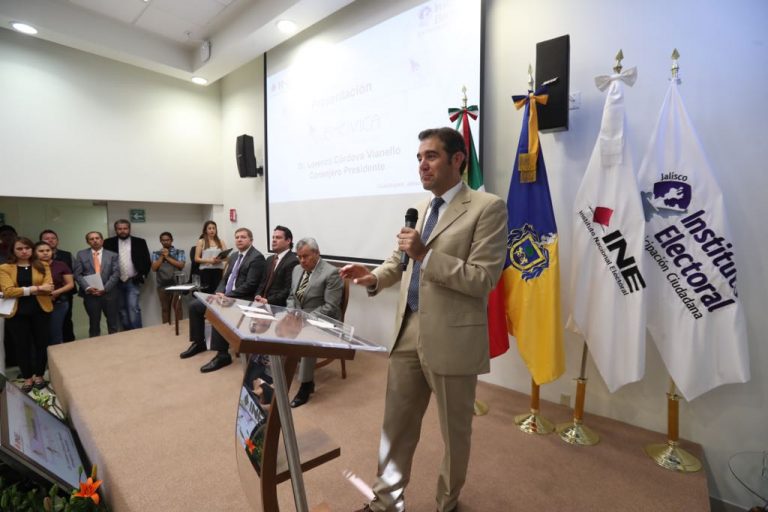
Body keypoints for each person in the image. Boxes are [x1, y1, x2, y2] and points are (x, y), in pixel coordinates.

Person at [340, 127, 507, 512]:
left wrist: (426, 255)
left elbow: (483, 279)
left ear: (457, 160)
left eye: (431, 156)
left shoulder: (487, 208)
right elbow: (398, 261)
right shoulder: (422, 208)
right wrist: (373, 278)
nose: (422, 165)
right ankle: (385, 501)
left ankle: (447, 503)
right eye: (419, 158)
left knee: (454, 433)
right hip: (407, 331)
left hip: (453, 338)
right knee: (396, 425)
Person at [181, 227, 265, 373]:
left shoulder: (257, 257)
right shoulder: (234, 256)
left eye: (243, 237)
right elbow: (225, 279)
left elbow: (250, 285)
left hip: (242, 299)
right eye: (237, 237)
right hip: (226, 296)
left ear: (251, 240)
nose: (239, 239)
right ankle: (199, 342)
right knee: (195, 305)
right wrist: (219, 292)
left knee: (218, 310)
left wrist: (228, 295)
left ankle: (223, 355)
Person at [285, 237, 343, 408]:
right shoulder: (297, 269)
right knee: (276, 326)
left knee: (307, 336)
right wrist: (291, 312)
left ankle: (306, 385)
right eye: (299, 257)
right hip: (298, 316)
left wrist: (305, 319)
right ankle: (275, 374)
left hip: (323, 319)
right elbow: (291, 296)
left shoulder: (331, 273)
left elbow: (331, 307)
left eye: (306, 256)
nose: (302, 261)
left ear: (317, 253)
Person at [0, 237, 53, 392]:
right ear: (13, 250)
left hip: (40, 310)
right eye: (19, 248)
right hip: (17, 313)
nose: (24, 251)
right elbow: (8, 291)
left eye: (27, 248)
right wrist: (36, 288)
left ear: (32, 249)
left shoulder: (42, 265)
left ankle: (40, 375)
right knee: (21, 346)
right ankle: (27, 377)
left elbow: (49, 288)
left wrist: (23, 290)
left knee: (41, 344)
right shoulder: (5, 268)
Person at [103, 219, 151, 331]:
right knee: (121, 309)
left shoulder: (140, 242)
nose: (122, 231)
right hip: (115, 282)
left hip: (133, 280)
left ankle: (137, 332)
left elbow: (146, 261)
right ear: (116, 230)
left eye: (125, 228)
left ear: (129, 229)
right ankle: (128, 332)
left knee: (133, 308)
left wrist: (142, 275)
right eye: (119, 229)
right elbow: (105, 262)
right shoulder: (108, 243)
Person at [73, 231, 120, 337]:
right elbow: (77, 274)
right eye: (91, 239)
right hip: (91, 294)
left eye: (97, 238)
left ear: (102, 240)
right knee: (94, 323)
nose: (95, 240)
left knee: (112, 322)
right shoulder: (81, 254)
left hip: (109, 293)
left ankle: (116, 344)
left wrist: (105, 288)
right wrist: (87, 287)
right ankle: (94, 345)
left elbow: (116, 274)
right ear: (87, 242)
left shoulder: (113, 255)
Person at [34, 241, 74, 348]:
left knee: (55, 333)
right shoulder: (31, 266)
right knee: (40, 333)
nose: (45, 253)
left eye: (48, 250)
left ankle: (56, 356)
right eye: (41, 251)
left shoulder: (61, 264)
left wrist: (56, 292)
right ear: (35, 252)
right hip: (37, 303)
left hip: (58, 303)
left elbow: (70, 284)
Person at [40, 229, 76, 342]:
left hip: (64, 296)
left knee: (66, 321)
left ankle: (69, 345)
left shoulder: (67, 255)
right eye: (47, 239)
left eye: (53, 238)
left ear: (57, 241)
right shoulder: (34, 262)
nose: (50, 240)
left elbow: (75, 273)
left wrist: (58, 291)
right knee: (47, 326)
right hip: (41, 297)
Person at [253, 225, 299, 308]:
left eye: (278, 238)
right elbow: (262, 282)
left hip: (278, 307)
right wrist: (258, 295)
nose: (274, 240)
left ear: (288, 241)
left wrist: (268, 301)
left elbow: (288, 289)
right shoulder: (269, 259)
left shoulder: (293, 261)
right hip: (261, 303)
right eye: (273, 237)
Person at [150, 232, 186, 323]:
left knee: (177, 308)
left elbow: (181, 265)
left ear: (171, 240)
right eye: (163, 240)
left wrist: (168, 257)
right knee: (165, 309)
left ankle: (180, 327)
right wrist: (162, 256)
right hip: (162, 284)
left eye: (167, 240)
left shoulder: (179, 252)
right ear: (160, 241)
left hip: (177, 284)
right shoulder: (156, 253)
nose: (165, 242)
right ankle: (165, 328)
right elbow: (154, 268)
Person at [195, 221, 227, 294]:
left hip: (218, 271)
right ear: (205, 230)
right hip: (205, 271)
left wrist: (219, 260)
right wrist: (210, 260)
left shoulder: (221, 241)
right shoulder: (201, 241)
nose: (212, 230)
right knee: (207, 293)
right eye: (209, 228)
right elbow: (196, 258)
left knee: (217, 293)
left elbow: (226, 258)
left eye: (213, 228)